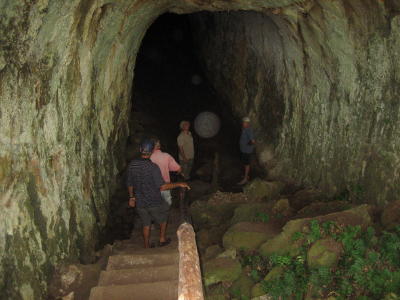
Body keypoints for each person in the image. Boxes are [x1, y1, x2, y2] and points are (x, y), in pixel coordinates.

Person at [127, 139, 190, 248]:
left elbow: (130, 183)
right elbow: (162, 186)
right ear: (152, 151)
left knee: (146, 224)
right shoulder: (153, 167)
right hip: (154, 201)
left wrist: (132, 197)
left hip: (140, 201)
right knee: (164, 218)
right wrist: (179, 184)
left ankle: (146, 245)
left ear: (140, 149)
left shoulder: (133, 164)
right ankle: (162, 239)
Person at [150, 138, 182, 206]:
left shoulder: (148, 157)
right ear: (159, 146)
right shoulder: (166, 156)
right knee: (167, 204)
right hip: (166, 186)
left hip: (153, 188)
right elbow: (178, 168)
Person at [238, 117, 255, 185]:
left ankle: (245, 179)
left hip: (247, 151)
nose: (243, 123)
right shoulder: (244, 129)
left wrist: (247, 145)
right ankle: (246, 175)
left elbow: (253, 141)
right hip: (244, 150)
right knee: (245, 163)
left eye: (244, 122)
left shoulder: (249, 130)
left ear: (248, 123)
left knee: (247, 164)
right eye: (243, 122)